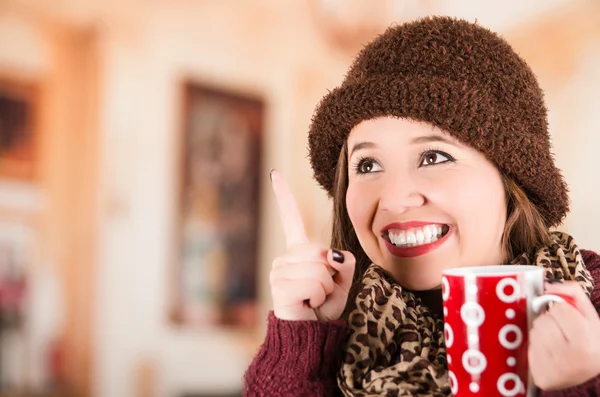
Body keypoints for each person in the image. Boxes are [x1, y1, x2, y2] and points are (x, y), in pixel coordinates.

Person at [243, 16, 600, 396]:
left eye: (433, 157)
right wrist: (302, 343)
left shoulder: (591, 306)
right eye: (368, 165)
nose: (395, 199)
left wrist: (579, 384)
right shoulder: (337, 328)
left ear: (513, 177)